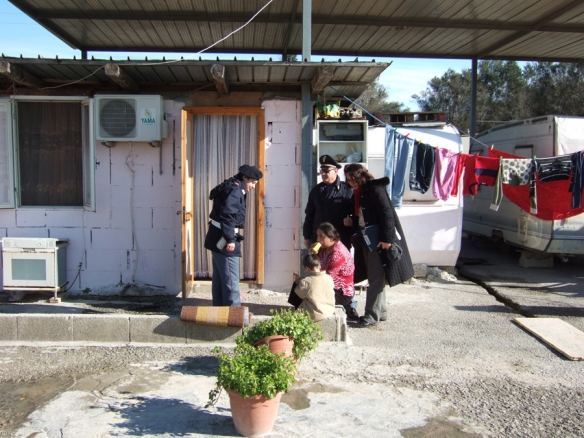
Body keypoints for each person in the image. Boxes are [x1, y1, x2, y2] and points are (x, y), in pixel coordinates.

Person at [343, 163, 414, 327]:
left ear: (360, 176)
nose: (350, 183)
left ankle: (371, 316)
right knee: (375, 276)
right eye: (348, 180)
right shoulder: (360, 192)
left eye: (352, 179)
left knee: (375, 277)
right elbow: (365, 216)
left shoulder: (375, 189)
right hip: (368, 239)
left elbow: (387, 214)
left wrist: (387, 239)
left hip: (378, 240)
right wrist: (352, 222)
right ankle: (380, 312)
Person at [204, 164, 263, 306]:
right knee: (231, 282)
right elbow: (227, 216)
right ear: (244, 178)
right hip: (224, 238)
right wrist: (230, 239)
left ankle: (219, 313)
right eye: (253, 183)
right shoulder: (235, 191)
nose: (254, 187)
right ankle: (232, 317)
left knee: (219, 280)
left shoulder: (231, 184)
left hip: (216, 235)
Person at [310, 222, 360, 320]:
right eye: (317, 236)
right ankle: (296, 312)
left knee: (308, 288)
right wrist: (313, 255)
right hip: (327, 284)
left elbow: (326, 277)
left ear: (331, 238)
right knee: (299, 284)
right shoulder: (324, 249)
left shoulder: (337, 253)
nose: (318, 240)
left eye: (321, 236)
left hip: (341, 291)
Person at [303, 155, 354, 250]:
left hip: (339, 238)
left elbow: (355, 214)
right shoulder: (316, 190)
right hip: (319, 240)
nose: (323, 174)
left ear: (335, 171)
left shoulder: (347, 190)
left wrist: (351, 222)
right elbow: (309, 215)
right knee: (318, 264)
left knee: (338, 265)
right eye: (322, 171)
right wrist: (307, 236)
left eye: (326, 171)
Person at [292, 254, 336, 322]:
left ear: (307, 268)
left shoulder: (306, 281)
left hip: (315, 314)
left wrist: (297, 283)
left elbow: (299, 294)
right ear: (319, 266)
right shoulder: (329, 278)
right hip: (329, 310)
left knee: (296, 288)